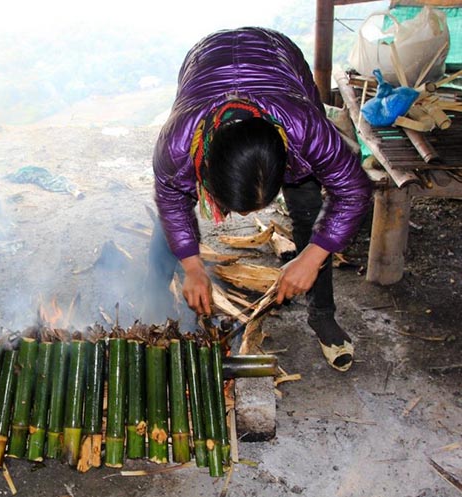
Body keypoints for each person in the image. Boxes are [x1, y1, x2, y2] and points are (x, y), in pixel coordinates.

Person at [146, 27, 373, 372]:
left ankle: (322, 316)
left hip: (279, 56)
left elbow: (354, 190)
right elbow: (171, 202)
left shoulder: (305, 130)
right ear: (206, 170)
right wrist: (192, 267)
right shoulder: (179, 145)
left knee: (309, 210)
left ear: (287, 158)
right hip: (206, 59)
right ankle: (151, 306)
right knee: (173, 209)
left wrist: (311, 258)